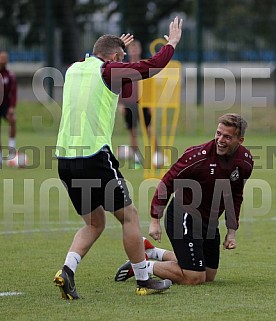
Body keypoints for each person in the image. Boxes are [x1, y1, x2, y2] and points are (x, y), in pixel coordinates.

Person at [53, 16, 183, 299]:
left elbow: (128, 93)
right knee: (130, 217)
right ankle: (144, 279)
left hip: (65, 159)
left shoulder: (74, 69)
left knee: (94, 223)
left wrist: (118, 52)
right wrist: (171, 42)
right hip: (95, 157)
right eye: (120, 59)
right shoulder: (108, 70)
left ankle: (67, 270)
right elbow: (151, 67)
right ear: (114, 58)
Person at [115, 113, 254, 285]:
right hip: (185, 215)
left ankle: (153, 252)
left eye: (227, 137)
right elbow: (168, 181)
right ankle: (141, 265)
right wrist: (155, 219)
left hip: (209, 222)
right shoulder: (197, 156)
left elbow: (235, 195)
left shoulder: (245, 162)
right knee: (194, 277)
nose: (220, 140)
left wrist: (231, 232)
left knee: (208, 275)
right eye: (218, 133)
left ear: (240, 140)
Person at [118, 40, 154, 166]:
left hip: (143, 103)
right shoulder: (124, 67)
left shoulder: (144, 66)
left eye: (136, 48)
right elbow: (119, 87)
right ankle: (137, 157)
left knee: (149, 129)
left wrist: (151, 103)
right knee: (133, 131)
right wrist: (121, 104)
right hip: (129, 103)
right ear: (128, 51)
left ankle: (156, 155)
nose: (133, 51)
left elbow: (150, 87)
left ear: (139, 50)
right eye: (131, 49)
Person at [0, 51, 17, 168]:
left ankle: (12, 151)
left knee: (13, 121)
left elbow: (14, 93)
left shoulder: (10, 75)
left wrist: (11, 107)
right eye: (2, 58)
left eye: (5, 58)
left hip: (5, 105)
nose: (3, 60)